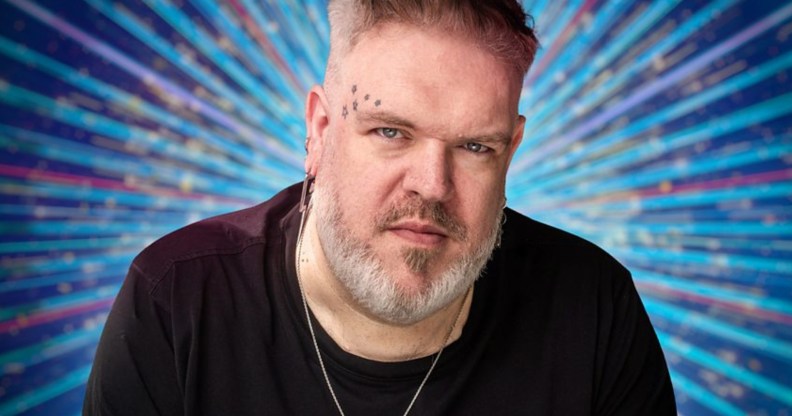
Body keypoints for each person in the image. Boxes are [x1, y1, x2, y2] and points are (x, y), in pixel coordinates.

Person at [84, 1, 676, 415]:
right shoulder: (178, 299)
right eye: (391, 132)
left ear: (511, 149)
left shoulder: (595, 308)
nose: (432, 186)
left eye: (474, 147)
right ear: (320, 129)